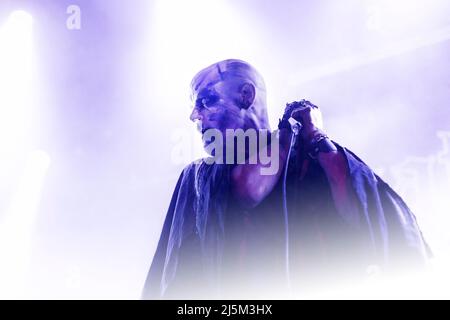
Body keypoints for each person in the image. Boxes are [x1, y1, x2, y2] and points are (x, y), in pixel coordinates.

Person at [142, 59, 429, 299]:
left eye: (206, 101)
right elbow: (247, 190)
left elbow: (367, 214)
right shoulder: (199, 176)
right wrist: (286, 137)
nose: (195, 115)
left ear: (246, 95)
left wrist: (316, 136)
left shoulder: (310, 153)